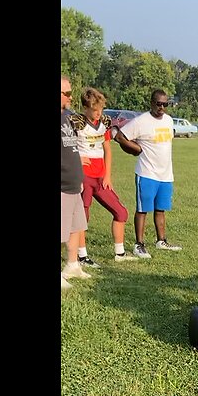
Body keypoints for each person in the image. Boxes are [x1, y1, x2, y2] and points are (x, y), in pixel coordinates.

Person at [69, 88, 139, 264]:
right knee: (82, 217)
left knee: (120, 212)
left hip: (100, 177)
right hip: (84, 176)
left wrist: (108, 175)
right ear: (85, 108)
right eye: (94, 109)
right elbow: (66, 147)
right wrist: (77, 158)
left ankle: (119, 253)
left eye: (100, 108)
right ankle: (82, 255)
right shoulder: (75, 122)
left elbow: (107, 148)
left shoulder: (105, 121)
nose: (98, 113)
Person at [112, 89, 179, 258]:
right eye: (159, 104)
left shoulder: (169, 121)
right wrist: (135, 149)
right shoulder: (141, 121)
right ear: (151, 103)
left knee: (160, 209)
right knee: (143, 210)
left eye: (165, 104)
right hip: (147, 173)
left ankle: (161, 240)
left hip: (165, 174)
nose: (162, 107)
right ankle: (139, 244)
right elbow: (120, 136)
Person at [60, 76, 91, 289]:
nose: (71, 97)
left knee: (75, 227)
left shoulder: (67, 116)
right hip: (61, 185)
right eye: (68, 93)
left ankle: (72, 265)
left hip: (73, 183)